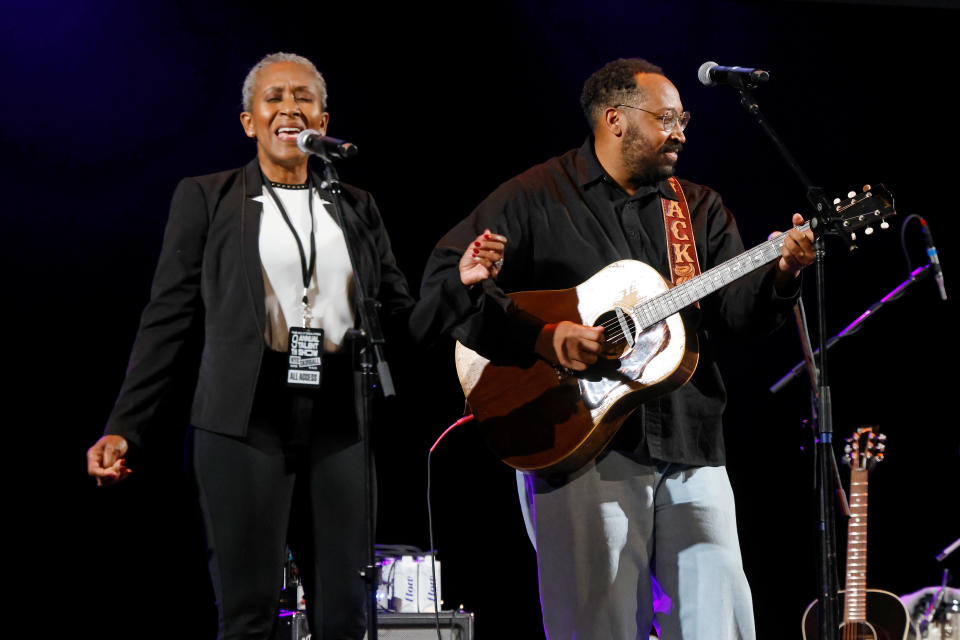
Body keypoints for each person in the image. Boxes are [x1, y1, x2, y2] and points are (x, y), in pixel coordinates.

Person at [85, 52, 504, 640]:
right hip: (242, 418)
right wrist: (125, 425)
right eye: (274, 98)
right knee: (250, 611)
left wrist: (459, 286)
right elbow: (167, 319)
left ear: (324, 121)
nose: (290, 108)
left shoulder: (357, 208)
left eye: (303, 97)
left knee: (345, 614)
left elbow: (402, 326)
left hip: (339, 416)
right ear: (248, 121)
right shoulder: (207, 198)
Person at [418, 58, 815, 639]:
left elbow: (736, 312)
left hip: (690, 438)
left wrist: (782, 272)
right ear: (616, 120)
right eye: (667, 118)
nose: (680, 131)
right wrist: (546, 337)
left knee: (720, 624)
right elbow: (449, 279)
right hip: (575, 441)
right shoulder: (535, 197)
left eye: (685, 119)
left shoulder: (696, 208)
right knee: (596, 627)